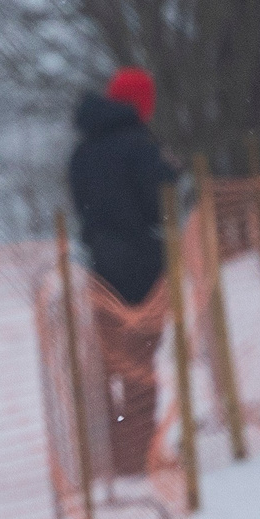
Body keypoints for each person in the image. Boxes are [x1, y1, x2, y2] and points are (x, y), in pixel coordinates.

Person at [66, 66, 178, 478]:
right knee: (140, 362)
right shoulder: (141, 148)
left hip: (99, 267)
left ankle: (112, 451)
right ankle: (138, 454)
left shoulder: (82, 152)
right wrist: (169, 173)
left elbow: (85, 208)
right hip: (143, 268)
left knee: (109, 362)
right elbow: (159, 207)